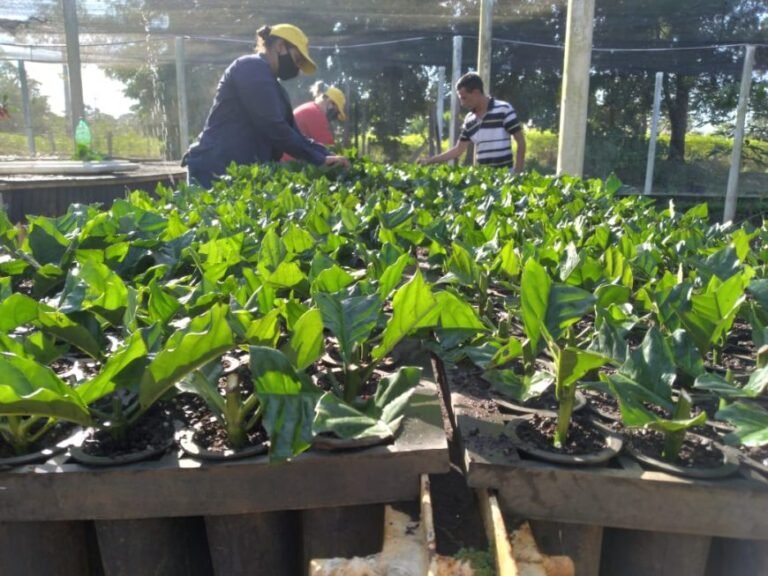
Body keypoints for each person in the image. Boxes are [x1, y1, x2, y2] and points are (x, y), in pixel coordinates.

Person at [183, 23, 349, 188]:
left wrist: (328, 156)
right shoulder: (250, 67)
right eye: (297, 59)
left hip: (235, 170)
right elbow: (273, 126)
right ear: (280, 46)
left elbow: (294, 133)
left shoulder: (276, 89)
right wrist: (317, 158)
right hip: (213, 168)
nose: (296, 68)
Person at [419, 72, 525, 173]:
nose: (462, 103)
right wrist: (429, 161)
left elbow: (520, 141)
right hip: (483, 180)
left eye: (464, 98)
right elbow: (458, 150)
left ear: (476, 92)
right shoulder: (469, 120)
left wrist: (518, 172)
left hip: (506, 176)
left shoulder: (504, 109)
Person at [293, 80, 347, 146]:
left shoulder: (310, 108)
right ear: (329, 101)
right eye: (335, 113)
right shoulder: (315, 113)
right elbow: (328, 147)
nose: (332, 117)